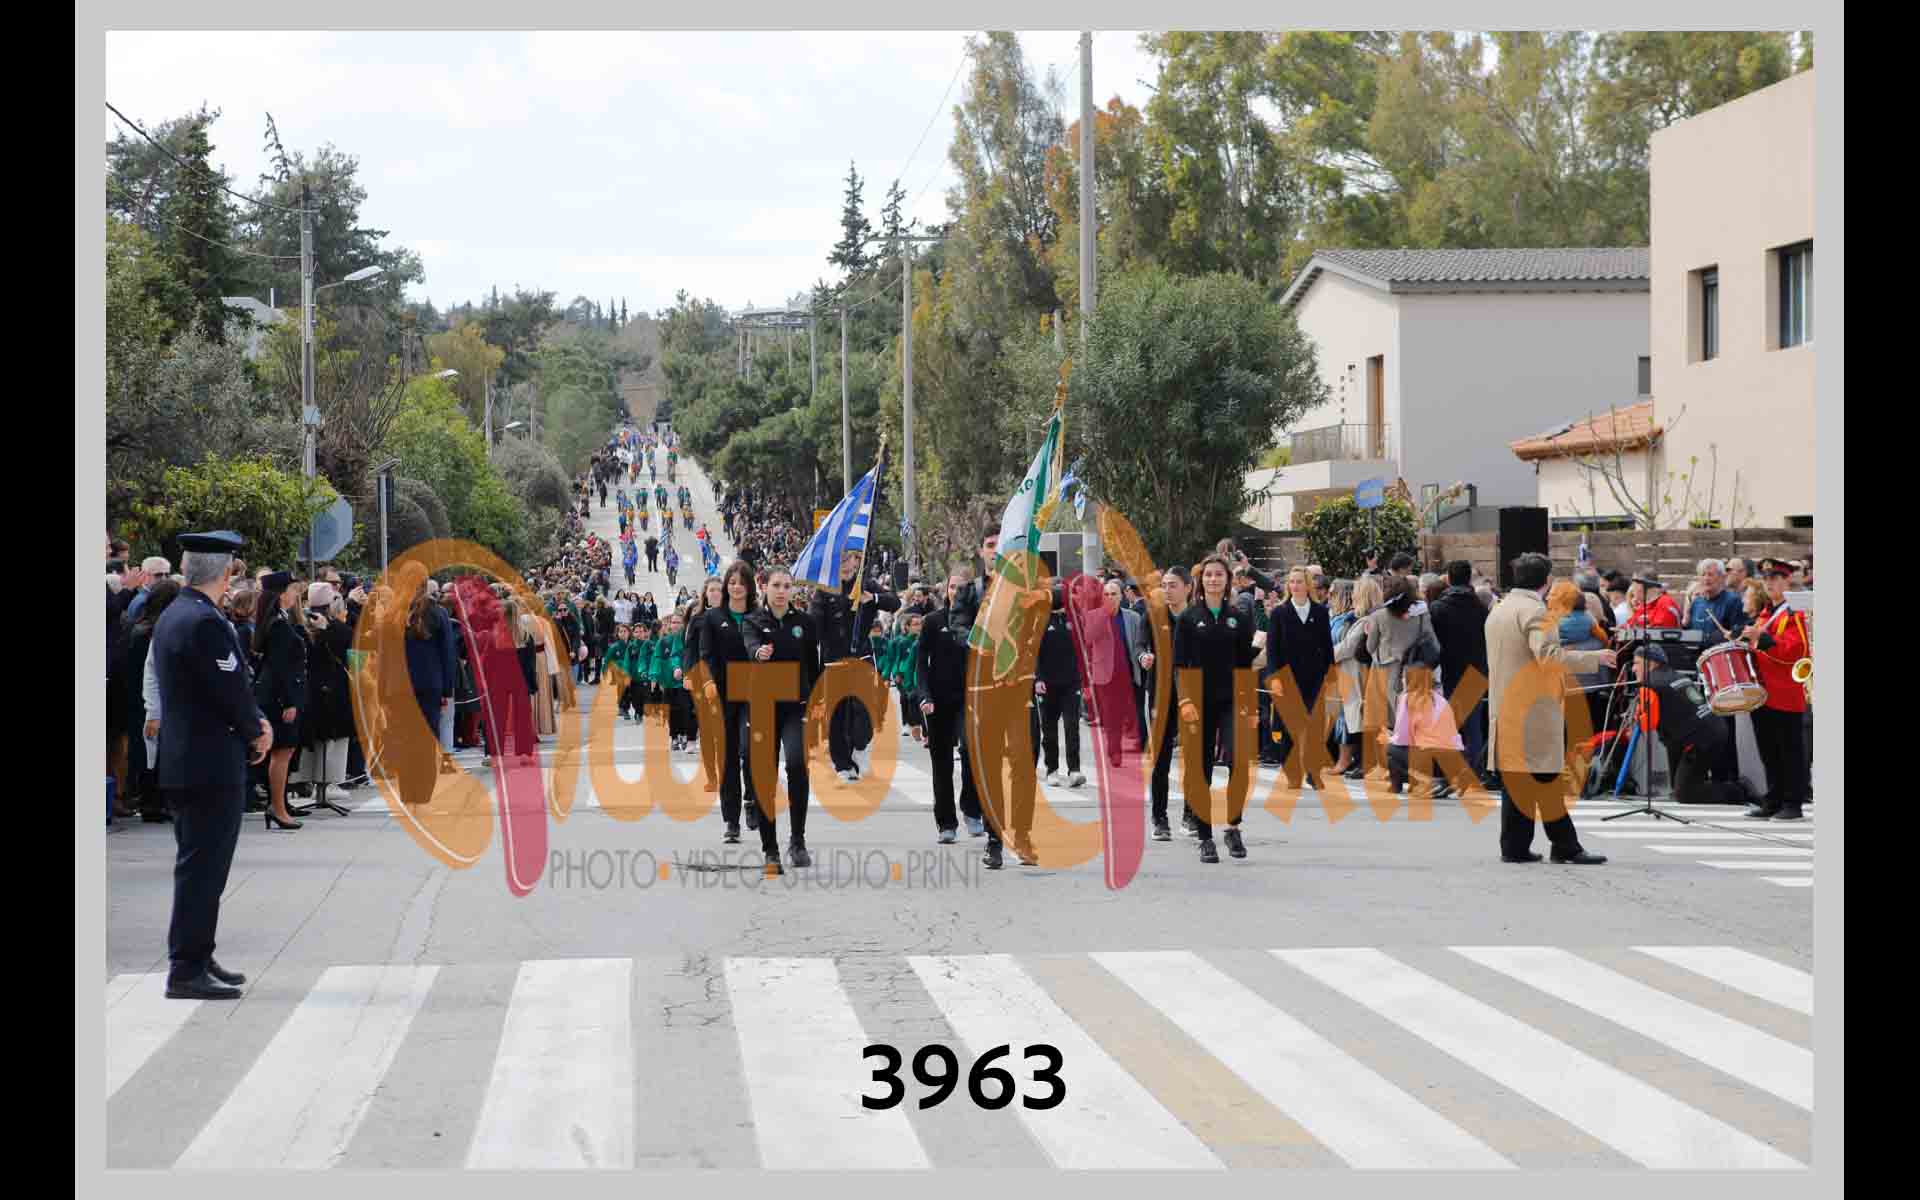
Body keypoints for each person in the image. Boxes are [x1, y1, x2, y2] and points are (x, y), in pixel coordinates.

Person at [151, 531, 272, 1000]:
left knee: (200, 867)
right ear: (224, 573)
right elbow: (230, 690)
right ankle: (186, 967)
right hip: (208, 763)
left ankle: (198, 955)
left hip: (189, 759)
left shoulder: (176, 613)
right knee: (203, 870)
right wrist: (256, 728)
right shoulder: (203, 621)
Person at [1485, 552, 1616, 865]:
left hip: (1504, 704)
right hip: (1534, 708)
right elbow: (1548, 656)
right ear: (1546, 580)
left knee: (1518, 778)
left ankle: (1515, 846)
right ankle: (1564, 846)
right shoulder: (1536, 612)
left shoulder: (1500, 609)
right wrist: (1593, 658)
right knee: (1545, 778)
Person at [1174, 555, 1257, 863]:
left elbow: (1245, 664)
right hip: (1197, 699)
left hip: (1232, 698)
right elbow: (1179, 664)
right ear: (1201, 580)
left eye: (1219, 574)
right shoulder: (1188, 618)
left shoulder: (1239, 618)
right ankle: (1205, 836)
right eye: (1208, 574)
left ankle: (1233, 826)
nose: (1213, 579)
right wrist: (1184, 700)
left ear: (1227, 580)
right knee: (1200, 769)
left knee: (1239, 761)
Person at [744, 567, 823, 876]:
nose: (781, 591)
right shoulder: (753, 621)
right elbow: (750, 646)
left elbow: (814, 666)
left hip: (796, 706)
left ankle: (798, 840)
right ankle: (770, 849)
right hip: (763, 706)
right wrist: (758, 653)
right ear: (764, 587)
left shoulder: (805, 623)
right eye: (776, 585)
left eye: (787, 586)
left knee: (797, 764)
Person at [810, 547, 902, 783]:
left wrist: (874, 599)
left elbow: (895, 602)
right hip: (834, 662)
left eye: (848, 558)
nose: (844, 563)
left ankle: (859, 746)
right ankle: (842, 763)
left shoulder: (867, 584)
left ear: (855, 560)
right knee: (838, 714)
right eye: (839, 559)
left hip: (861, 658)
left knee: (867, 709)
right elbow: (814, 627)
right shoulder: (824, 590)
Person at [916, 571, 989, 849]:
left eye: (962, 588)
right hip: (937, 701)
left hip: (969, 699)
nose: (956, 592)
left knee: (970, 752)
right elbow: (921, 662)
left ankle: (971, 809)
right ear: (945, 589)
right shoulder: (933, 621)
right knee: (942, 763)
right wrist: (924, 695)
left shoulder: (977, 623)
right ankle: (946, 823)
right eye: (952, 587)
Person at [1738, 558, 1811, 821]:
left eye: (1775, 578)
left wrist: (1762, 638)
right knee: (1768, 750)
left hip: (1785, 690)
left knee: (1790, 751)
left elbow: (1797, 649)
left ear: (1787, 580)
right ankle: (1774, 799)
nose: (1769, 584)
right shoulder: (1766, 613)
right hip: (1763, 690)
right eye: (1766, 579)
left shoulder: (1795, 612)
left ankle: (1793, 803)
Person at [697, 561, 758, 844]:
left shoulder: (759, 615)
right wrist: (708, 682)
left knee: (751, 749)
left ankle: (752, 798)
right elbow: (706, 654)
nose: (736, 587)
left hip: (753, 692)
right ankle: (731, 821)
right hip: (722, 692)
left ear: (749, 586)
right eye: (732, 582)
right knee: (729, 756)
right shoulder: (713, 617)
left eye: (741, 582)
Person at [1266, 566, 1335, 790]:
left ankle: (1313, 772)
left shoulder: (1320, 612)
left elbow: (1327, 646)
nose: (1295, 585)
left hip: (1314, 678)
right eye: (1292, 582)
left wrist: (1331, 675)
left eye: (1299, 581)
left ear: (1308, 585)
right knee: (1289, 727)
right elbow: (1272, 649)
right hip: (1287, 677)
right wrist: (1274, 678)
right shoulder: (1279, 613)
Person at [1429, 560, 1494, 789]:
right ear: (1469, 579)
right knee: (1473, 726)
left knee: (1448, 725)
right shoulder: (1481, 607)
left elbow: (1432, 642)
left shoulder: (1438, 608)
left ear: (1448, 578)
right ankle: (1472, 773)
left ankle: (1449, 772)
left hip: (1449, 670)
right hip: (1477, 670)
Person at [251, 572, 308, 830]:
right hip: (279, 696)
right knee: (282, 752)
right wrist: (289, 701)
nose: (296, 595)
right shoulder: (278, 625)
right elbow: (280, 667)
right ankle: (278, 807)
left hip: (276, 692)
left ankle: (279, 805)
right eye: (293, 590)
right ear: (281, 594)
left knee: (284, 752)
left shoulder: (278, 621)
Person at [296, 582, 356, 817]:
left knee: (326, 742)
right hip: (326, 690)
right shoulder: (322, 628)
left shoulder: (307, 624)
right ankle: (321, 786)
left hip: (320, 690)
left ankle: (322, 787)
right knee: (324, 743)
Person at [1147, 566, 1193, 840]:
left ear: (1188, 587)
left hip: (1191, 695)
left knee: (1194, 759)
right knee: (1161, 759)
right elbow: (1141, 644)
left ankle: (1190, 815)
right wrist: (1143, 656)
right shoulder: (1154, 615)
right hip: (1161, 695)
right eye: (1164, 585)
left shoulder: (1196, 617)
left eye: (1173, 585)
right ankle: (1160, 819)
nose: (1167, 590)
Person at [1385, 640, 1466, 796]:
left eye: (1404, 676)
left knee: (1390, 748)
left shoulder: (1407, 699)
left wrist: (1389, 737)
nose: (1402, 679)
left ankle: (1421, 782)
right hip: (1452, 757)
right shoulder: (1441, 699)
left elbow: (1402, 737)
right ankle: (1448, 779)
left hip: (1428, 758)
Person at [1033, 581, 1086, 791]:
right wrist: (1038, 679)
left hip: (1071, 682)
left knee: (1072, 726)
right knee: (1049, 729)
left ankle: (1074, 770)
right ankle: (1052, 769)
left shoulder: (1075, 620)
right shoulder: (1040, 620)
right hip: (1047, 684)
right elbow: (1034, 652)